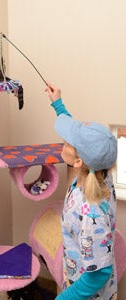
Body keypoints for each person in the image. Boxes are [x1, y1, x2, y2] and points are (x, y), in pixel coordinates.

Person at [45, 83, 117, 300]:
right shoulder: (101, 172)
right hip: (78, 276)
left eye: (67, 142)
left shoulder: (90, 212)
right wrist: (58, 104)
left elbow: (99, 275)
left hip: (87, 294)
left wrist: (64, 298)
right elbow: (83, 139)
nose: (63, 141)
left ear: (77, 161)